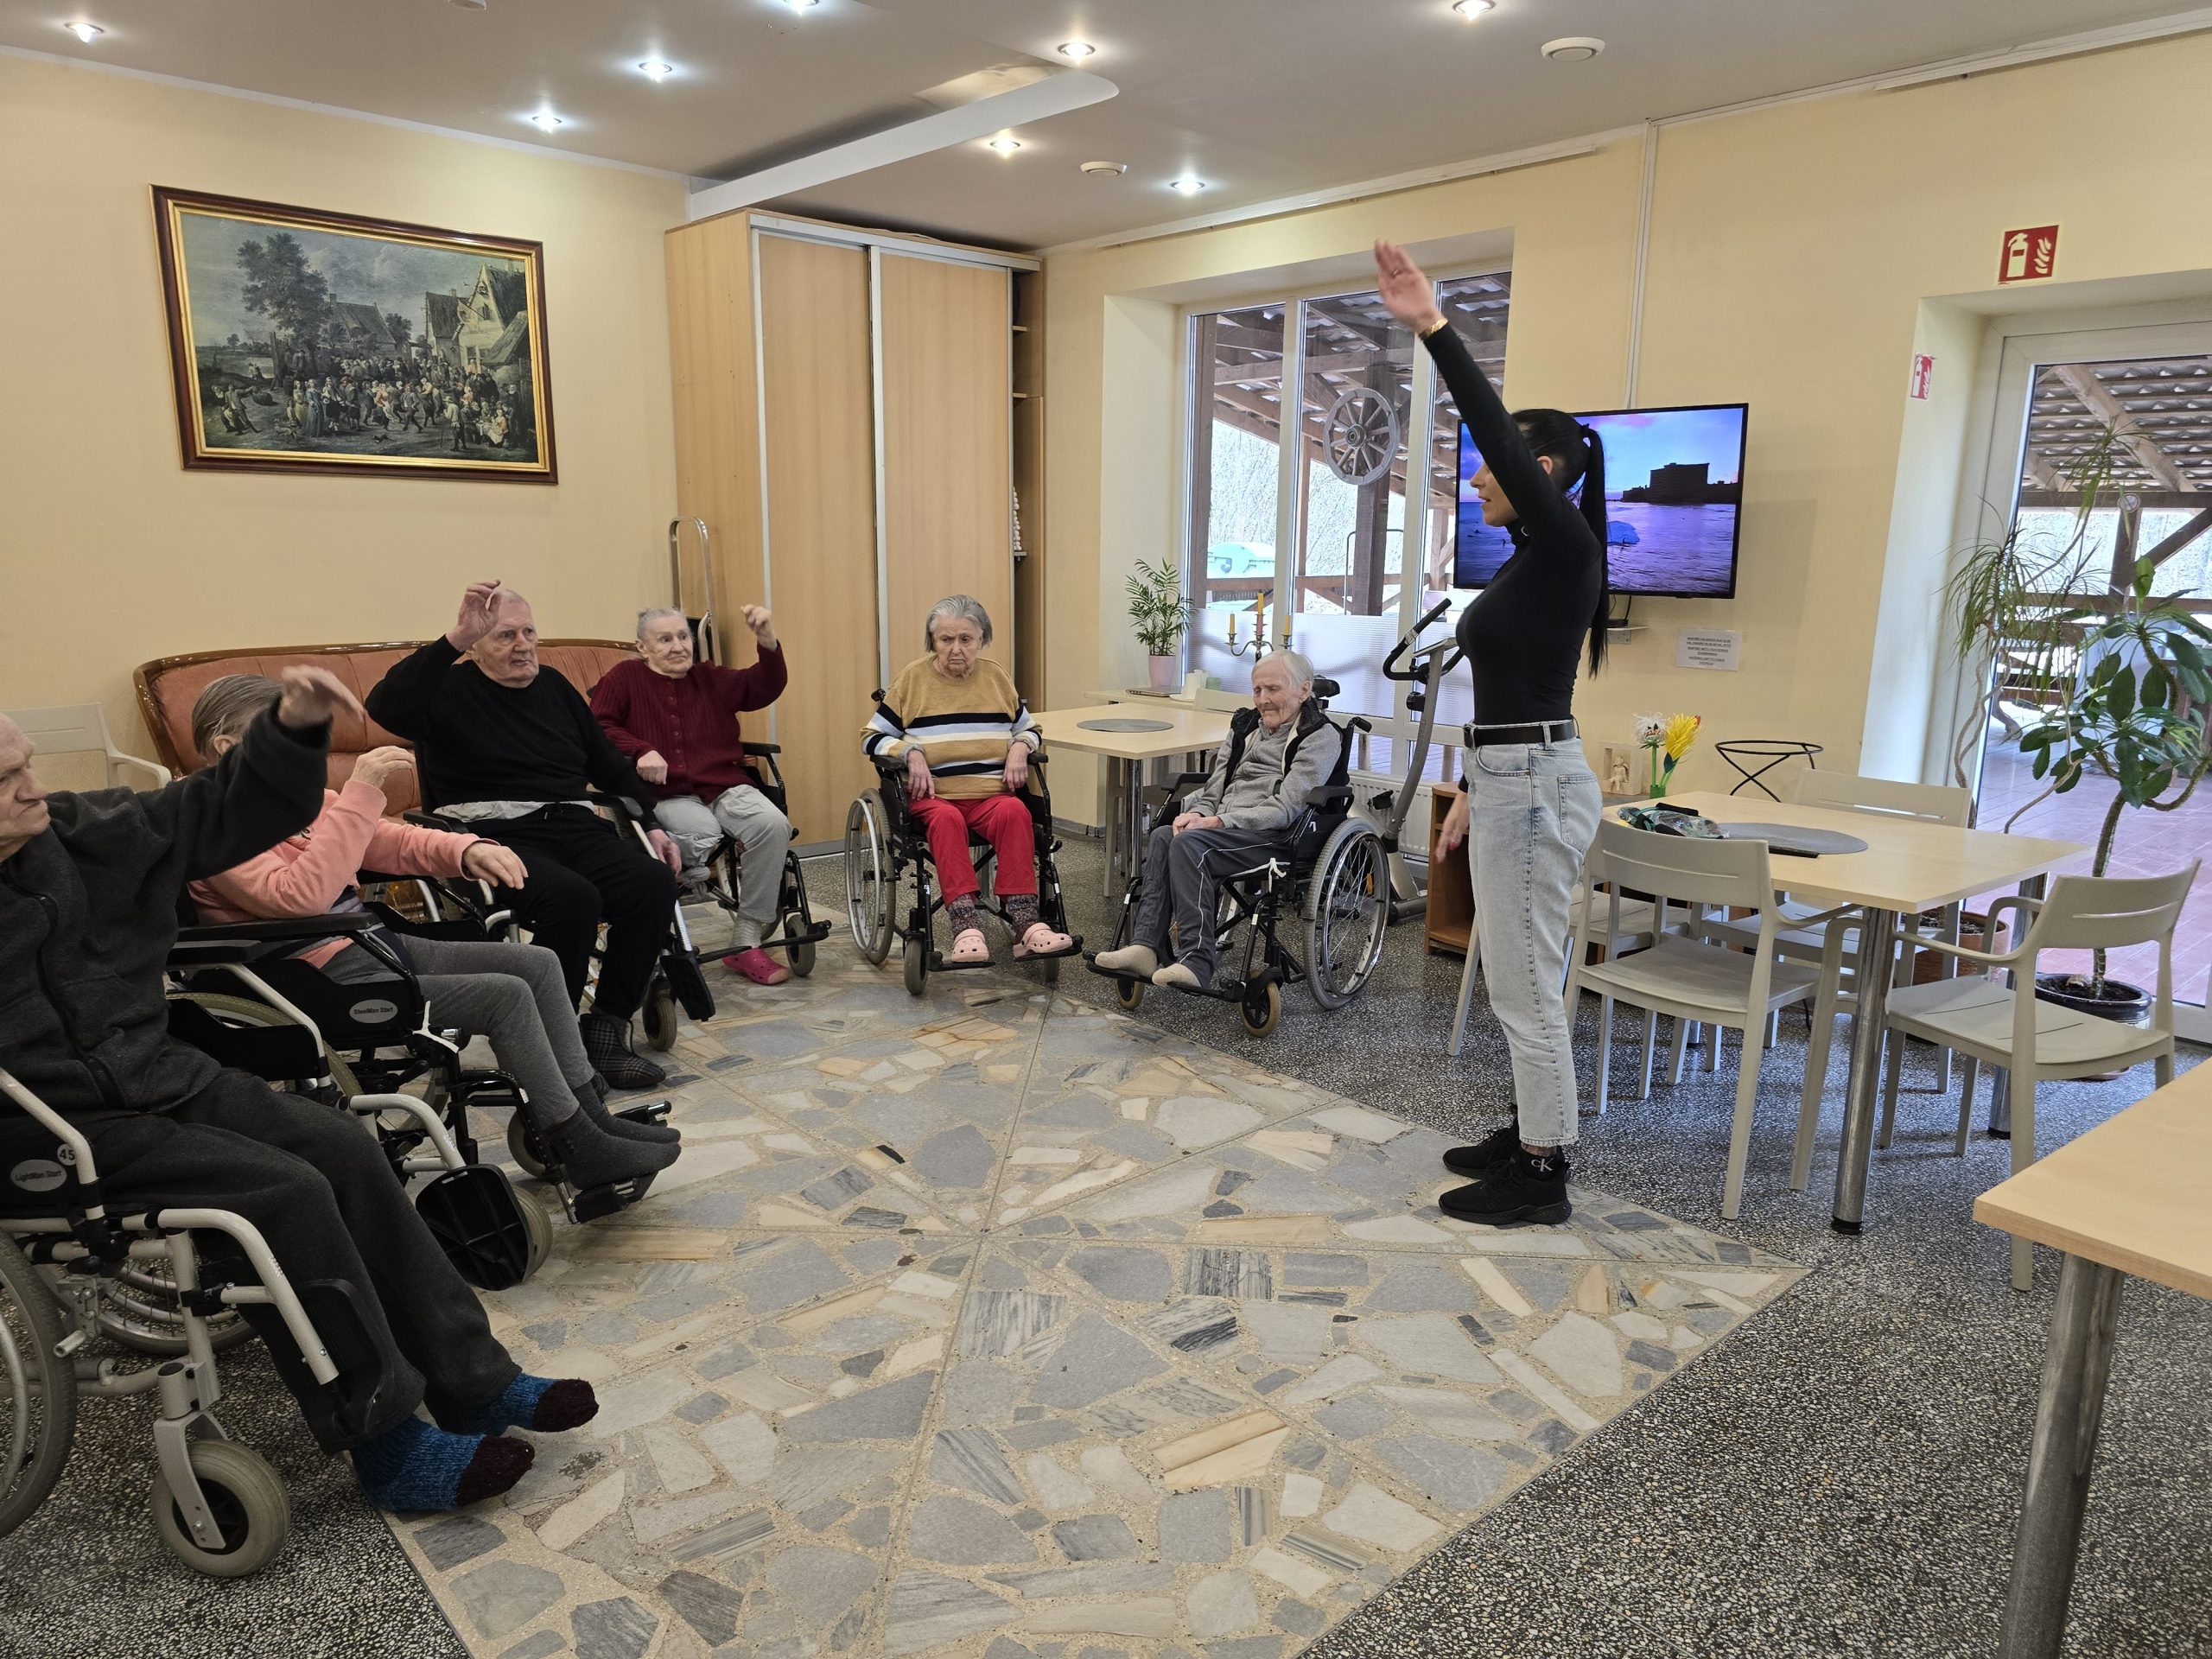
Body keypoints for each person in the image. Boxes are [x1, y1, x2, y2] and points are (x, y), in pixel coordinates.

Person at [0, 681, 599, 1514]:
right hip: (45, 1126)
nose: (33, 786)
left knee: (342, 1143)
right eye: (7, 779)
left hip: (157, 1072)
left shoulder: (72, 832)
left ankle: (474, 1381)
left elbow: (208, 810)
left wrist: (291, 731)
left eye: (26, 764)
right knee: (284, 1189)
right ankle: (385, 1439)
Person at [185, 676, 679, 1190]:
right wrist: (360, 793)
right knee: (505, 996)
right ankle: (576, 1143)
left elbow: (393, 841)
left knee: (537, 963)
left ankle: (588, 1115)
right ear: (228, 746)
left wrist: (466, 849)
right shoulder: (213, 819)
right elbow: (298, 897)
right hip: (300, 974)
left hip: (362, 944)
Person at [1373, 238, 1610, 1228]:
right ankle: (1530, 1128)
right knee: (1520, 970)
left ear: (1539, 469)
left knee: (1521, 982)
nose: (1475, 480)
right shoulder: (1529, 561)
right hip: (1514, 775)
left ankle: (1542, 1173)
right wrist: (1472, 786)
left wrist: (1434, 328)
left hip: (1537, 782)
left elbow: (1496, 443)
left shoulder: (1564, 544)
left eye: (1492, 465)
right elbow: (1516, 686)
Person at [365, 580, 684, 1090]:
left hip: (573, 824)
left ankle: (606, 1027)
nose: (523, 645)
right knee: (573, 899)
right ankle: (555, 1044)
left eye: (529, 632)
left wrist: (650, 823)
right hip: (488, 836)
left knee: (651, 883)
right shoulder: (445, 688)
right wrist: (453, 639)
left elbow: (606, 763)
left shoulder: (554, 686)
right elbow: (383, 706)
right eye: (505, 635)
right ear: (475, 646)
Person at [1094, 650, 1341, 991]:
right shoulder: (1244, 728)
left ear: (1304, 690)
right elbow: (1215, 789)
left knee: (1189, 845)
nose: (1263, 700)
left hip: (1277, 836)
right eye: (1257, 690)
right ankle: (1146, 947)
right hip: (1226, 831)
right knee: (1165, 835)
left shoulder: (1320, 736)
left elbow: (1287, 807)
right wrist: (1198, 813)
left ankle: (1197, 962)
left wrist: (1221, 822)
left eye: (1273, 689)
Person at [861, 595, 1075, 964]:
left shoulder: (996, 677)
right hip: (934, 797)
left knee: (1015, 812)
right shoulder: (913, 679)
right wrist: (909, 753)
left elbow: (1031, 729)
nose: (956, 649)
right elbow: (871, 737)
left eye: (966, 639)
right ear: (933, 641)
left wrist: (1020, 746)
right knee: (947, 819)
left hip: (990, 795)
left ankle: (1026, 924)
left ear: (981, 640)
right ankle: (965, 926)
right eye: (946, 640)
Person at [592, 605, 796, 986]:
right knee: (701, 831)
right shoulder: (624, 678)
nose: (678, 646)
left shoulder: (709, 677)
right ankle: (683, 889)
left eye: (683, 637)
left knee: (773, 825)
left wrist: (766, 640)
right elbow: (597, 726)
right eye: (665, 639)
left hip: (724, 784)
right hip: (665, 795)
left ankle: (747, 940)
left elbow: (764, 685)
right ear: (642, 647)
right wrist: (639, 750)